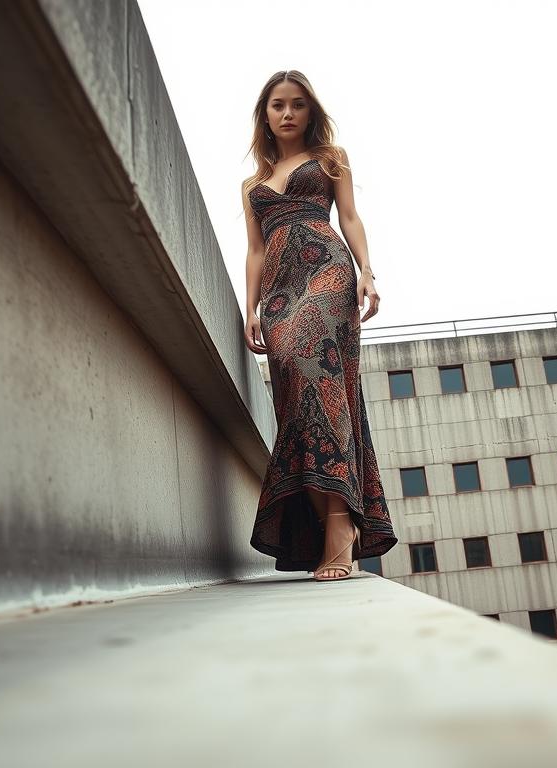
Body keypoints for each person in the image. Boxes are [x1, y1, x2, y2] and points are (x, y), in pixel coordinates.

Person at [242, 70, 398, 582]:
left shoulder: (331, 159)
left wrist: (368, 273)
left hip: (328, 272)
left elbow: (349, 216)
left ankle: (339, 526)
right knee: (296, 395)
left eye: (297, 105)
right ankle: (335, 519)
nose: (287, 114)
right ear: (265, 114)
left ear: (311, 112)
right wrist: (252, 309)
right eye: (277, 105)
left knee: (322, 384)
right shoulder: (251, 186)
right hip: (280, 289)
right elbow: (256, 250)